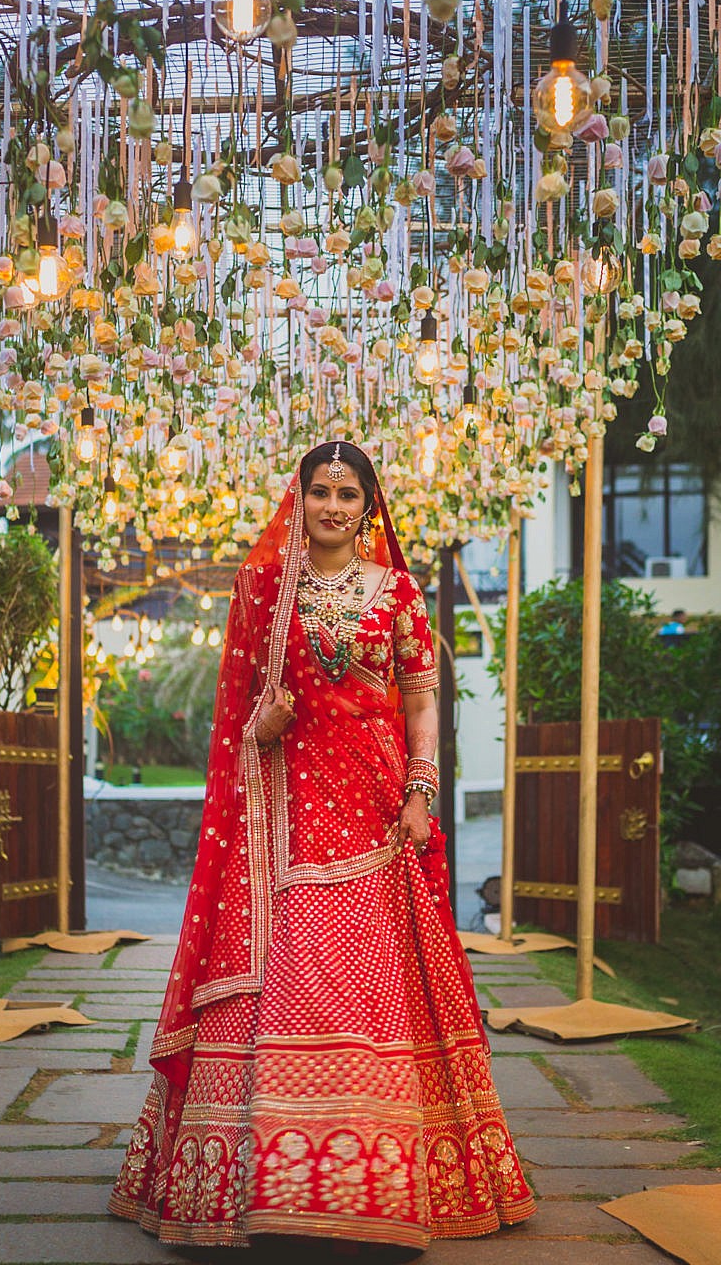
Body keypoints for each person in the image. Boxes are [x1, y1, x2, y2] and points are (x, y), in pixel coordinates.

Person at [110, 440, 536, 1254]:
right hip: (287, 820)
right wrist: (258, 729)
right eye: (320, 492)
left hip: (377, 814)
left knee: (378, 985)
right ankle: (273, 1178)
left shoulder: (398, 591)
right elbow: (236, 715)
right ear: (298, 500)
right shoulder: (264, 589)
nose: (333, 506)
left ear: (368, 505)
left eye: (348, 493)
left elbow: (421, 702)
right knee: (296, 974)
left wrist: (421, 791)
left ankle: (378, 1176)